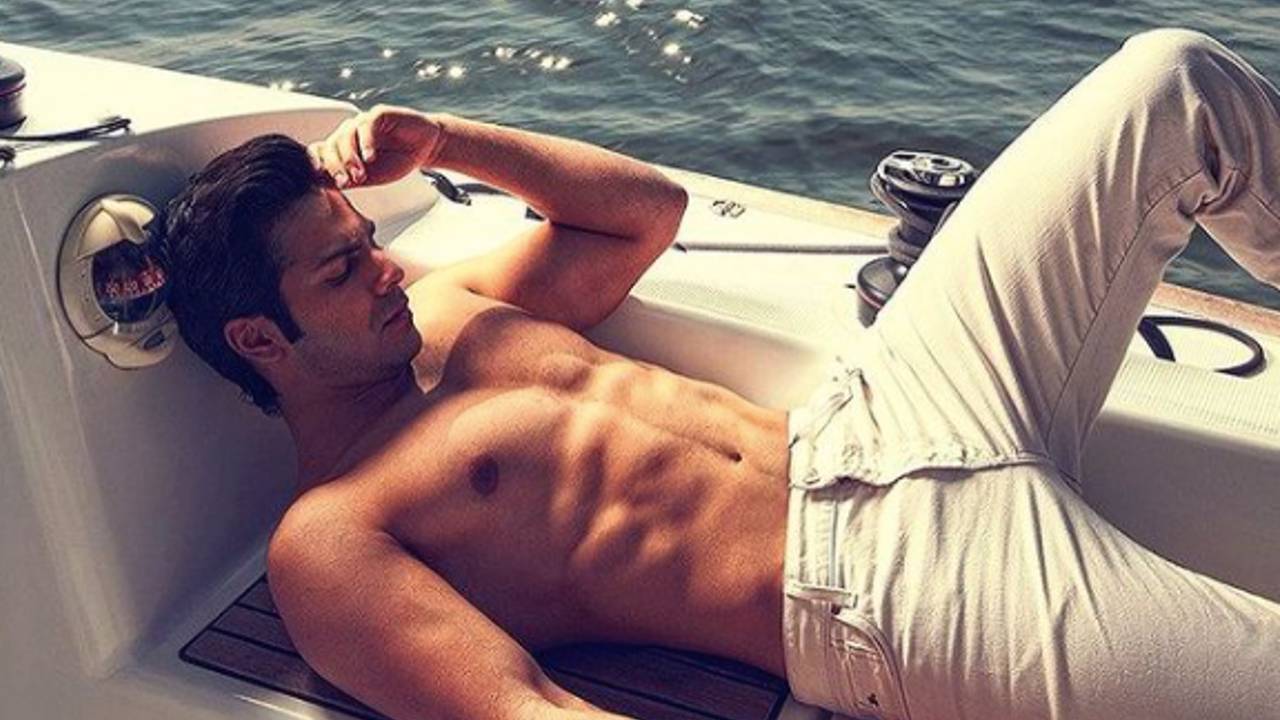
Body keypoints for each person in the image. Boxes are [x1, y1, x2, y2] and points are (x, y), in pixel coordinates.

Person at [160, 28, 1280, 720]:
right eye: (343, 269)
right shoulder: (332, 536)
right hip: (877, 591)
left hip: (881, 408)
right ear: (260, 340)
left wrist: (446, 141)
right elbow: (526, 711)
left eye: (368, 238)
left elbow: (643, 216)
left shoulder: (447, 308)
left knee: (1173, 82)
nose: (386, 267)